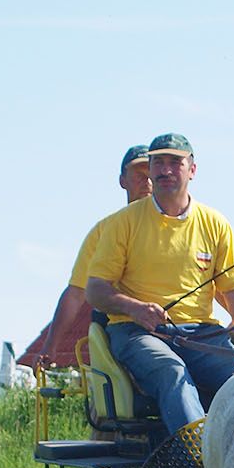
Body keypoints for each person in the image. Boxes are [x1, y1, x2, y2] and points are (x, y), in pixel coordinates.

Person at [86, 132, 234, 433]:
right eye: (158, 162)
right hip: (137, 333)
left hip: (201, 335)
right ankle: (196, 462)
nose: (165, 170)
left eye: (175, 162)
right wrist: (135, 309)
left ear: (192, 170)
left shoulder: (215, 223)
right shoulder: (123, 223)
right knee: (173, 372)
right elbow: (95, 290)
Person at [18, 144, 154, 370]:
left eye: (151, 174)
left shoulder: (178, 225)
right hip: (123, 329)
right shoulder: (104, 231)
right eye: (139, 174)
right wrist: (51, 346)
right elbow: (76, 292)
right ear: (122, 180)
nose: (146, 181)